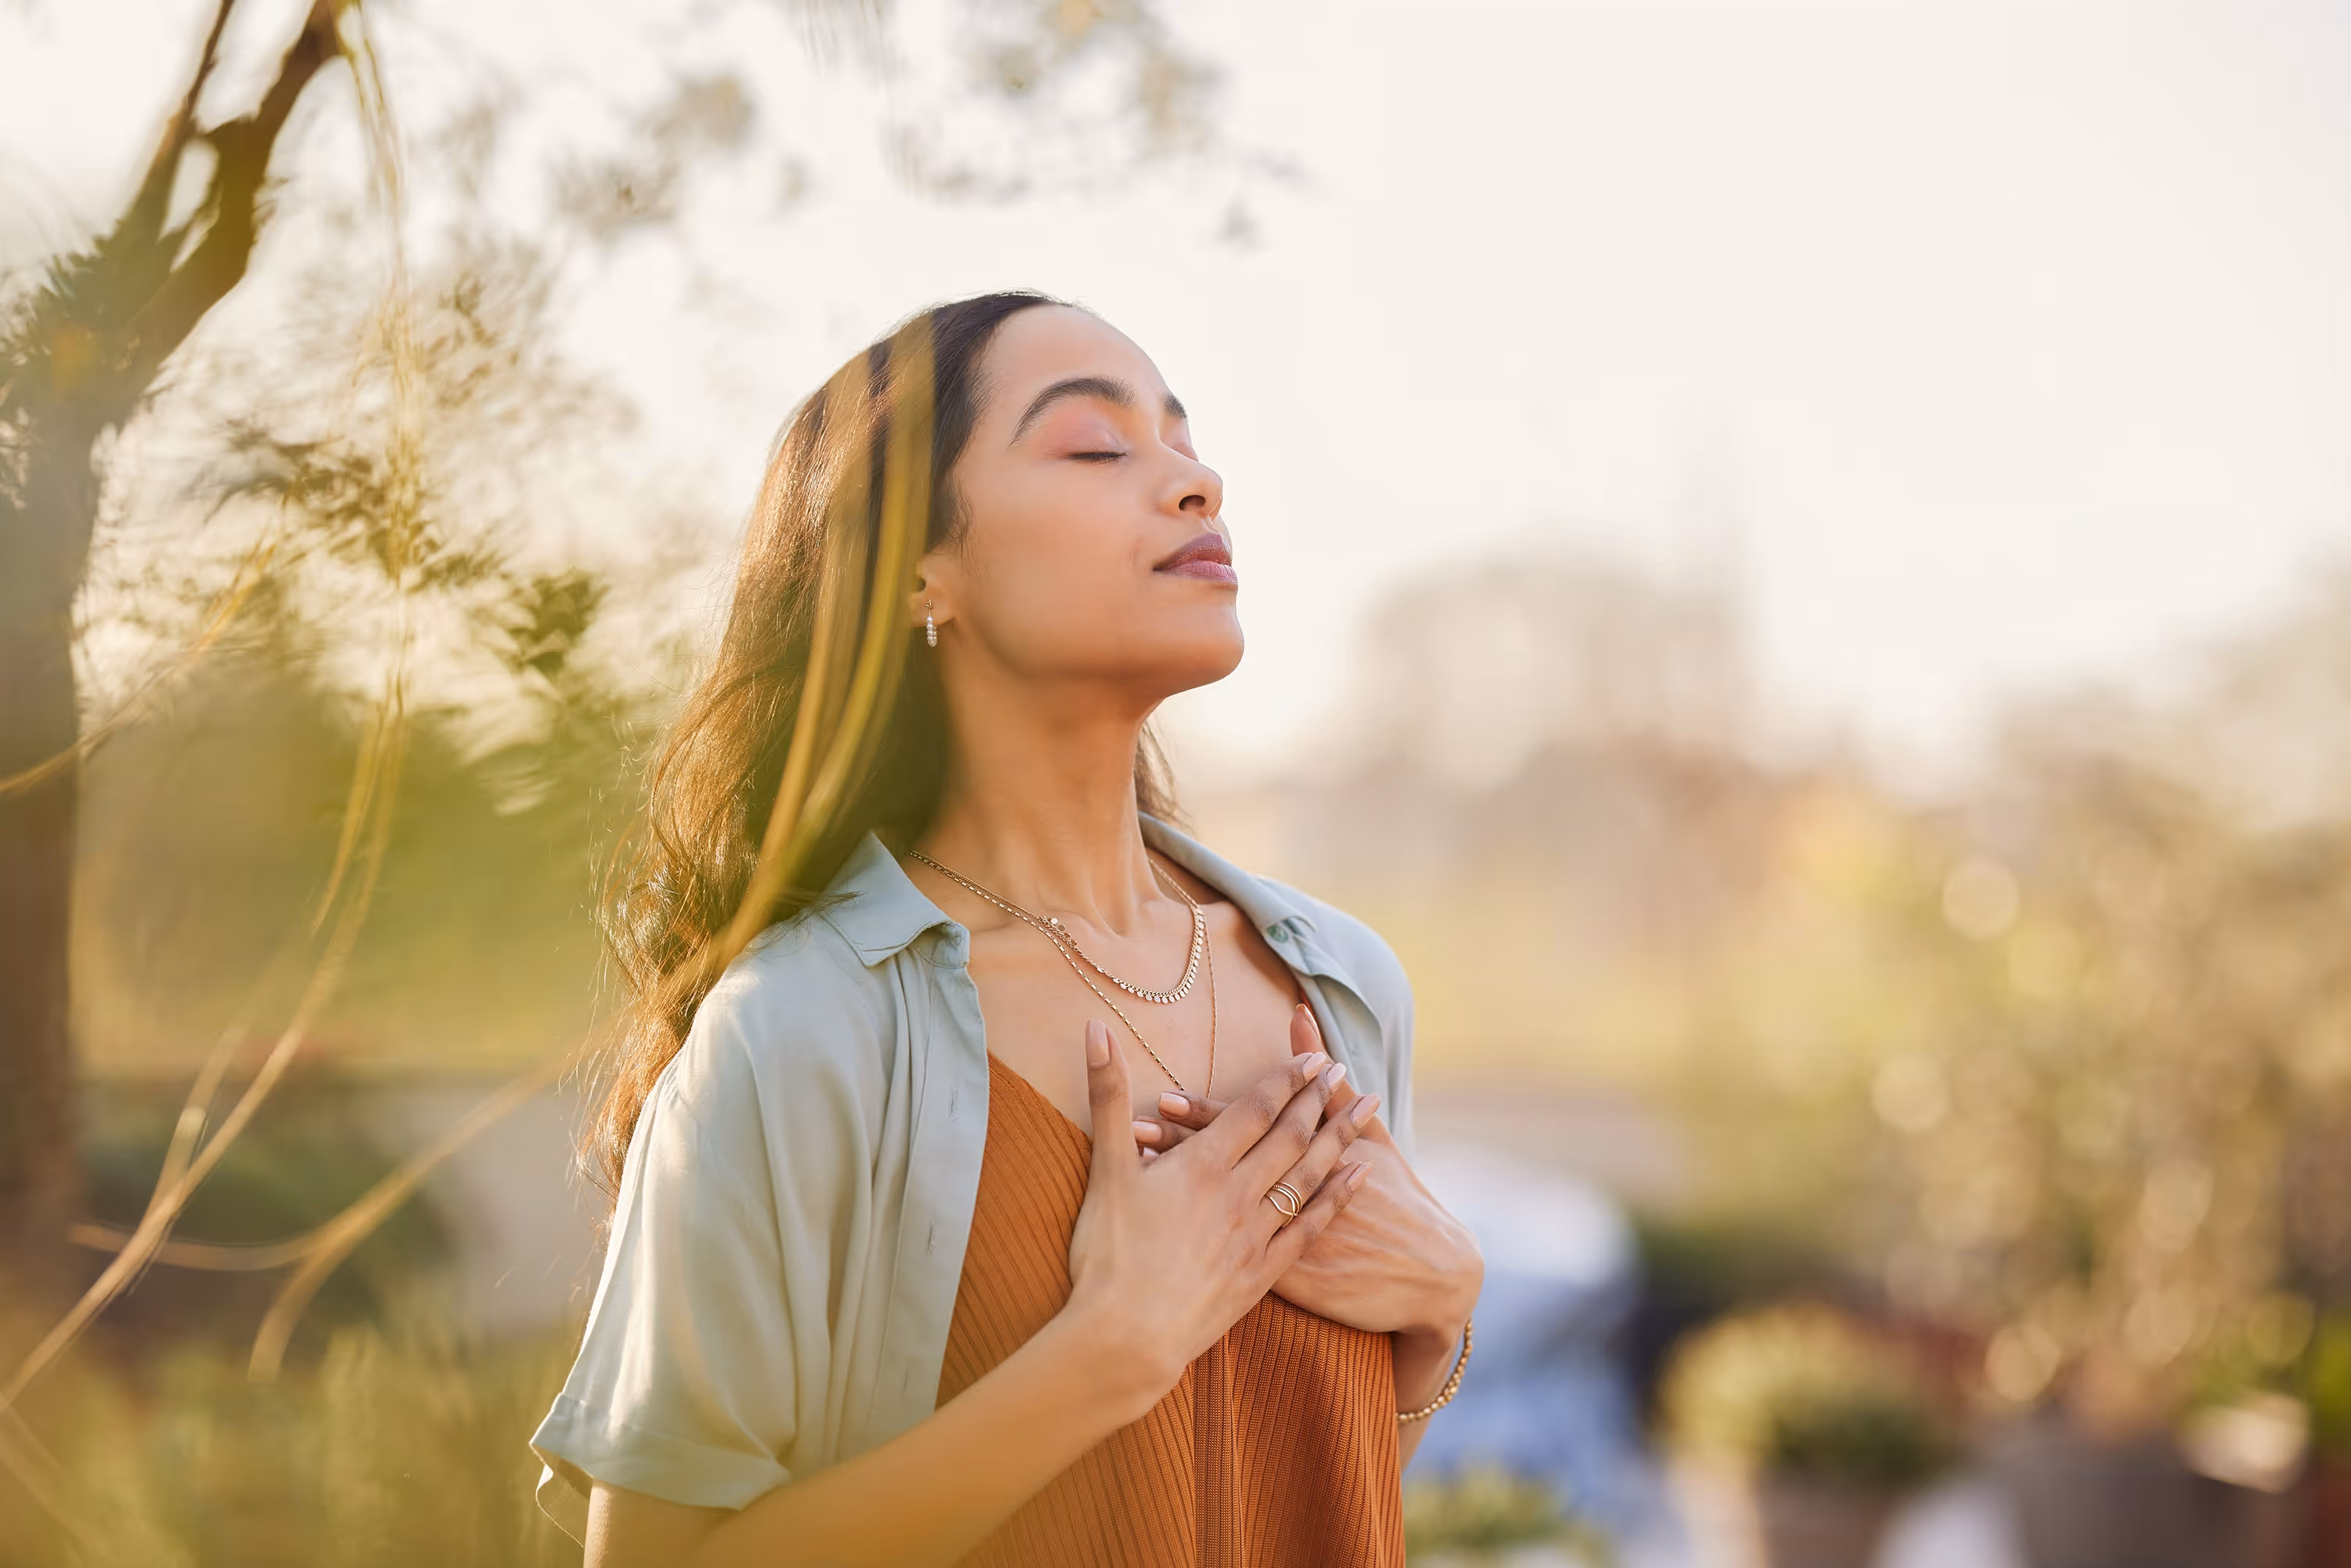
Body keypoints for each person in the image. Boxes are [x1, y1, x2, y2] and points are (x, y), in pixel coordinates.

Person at [527, 290, 1486, 1567]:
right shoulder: (801, 1032)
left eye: (1184, 441)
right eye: (1097, 447)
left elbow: (1297, 1488)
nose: (1196, 482)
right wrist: (1109, 1353)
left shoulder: (1346, 987)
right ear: (923, 571)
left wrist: (1438, 1320)